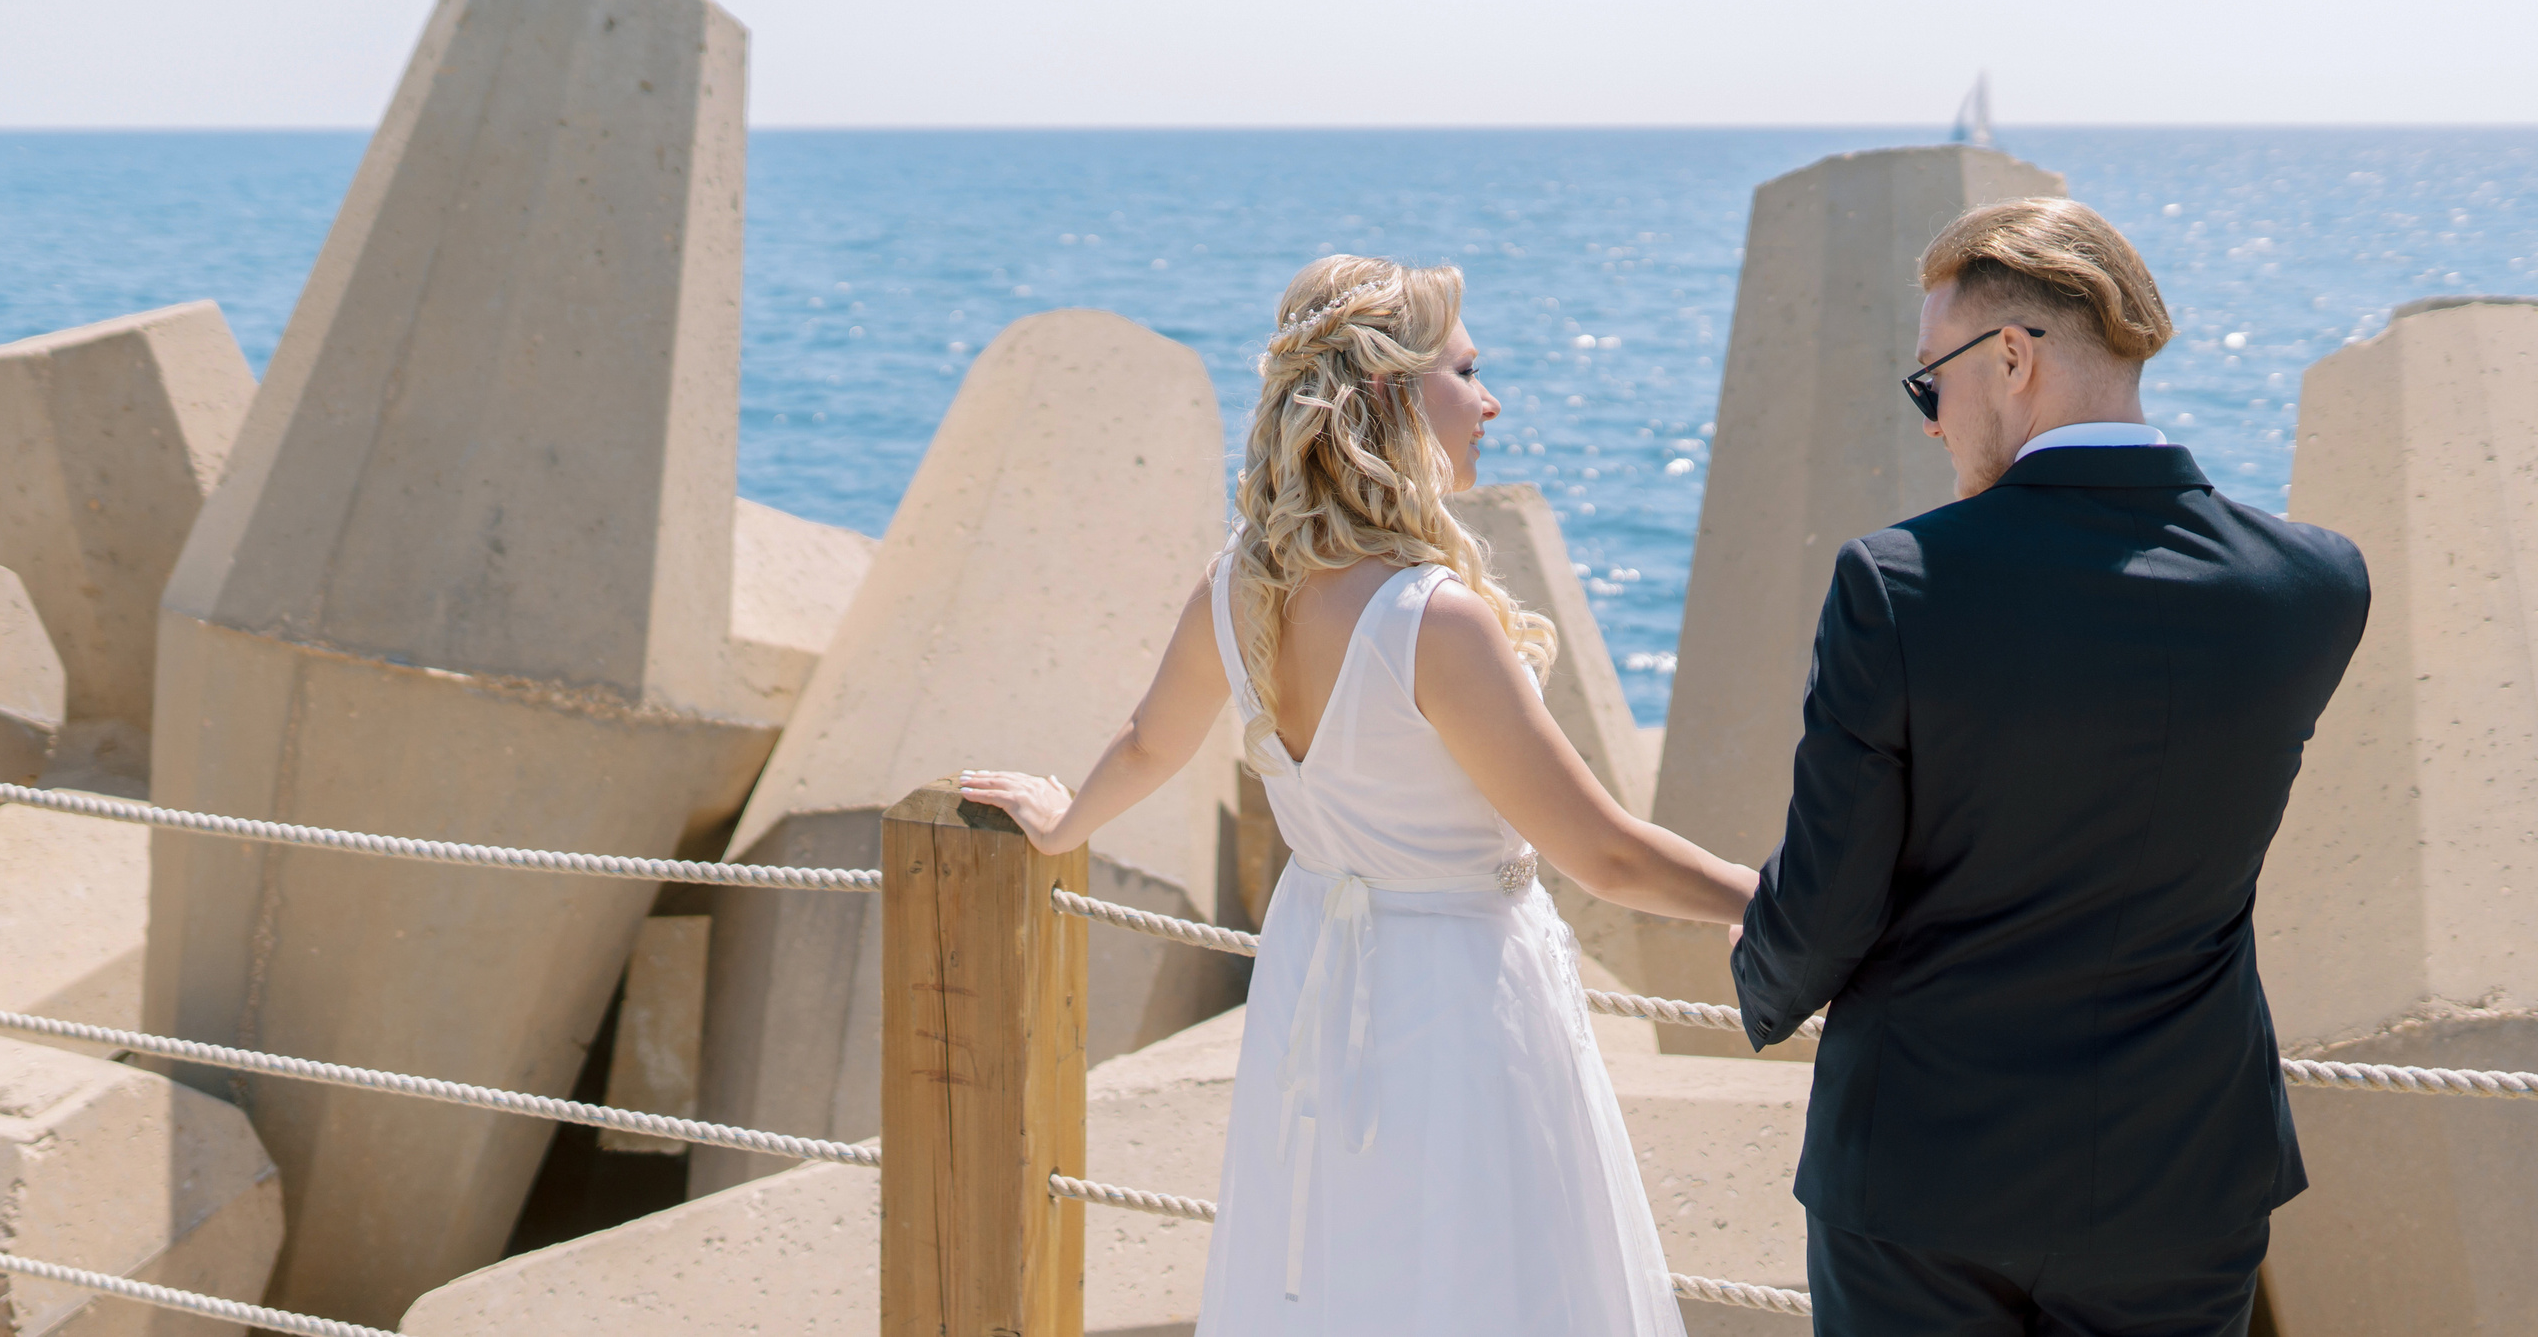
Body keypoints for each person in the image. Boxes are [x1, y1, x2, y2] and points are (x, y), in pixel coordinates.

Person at [961, 255, 1756, 1335]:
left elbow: (1149, 744)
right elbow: (1604, 854)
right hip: (1462, 990)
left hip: (1317, 979)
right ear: (1389, 395)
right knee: (1488, 1281)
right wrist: (1765, 900)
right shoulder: (1433, 621)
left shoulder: (1237, 585)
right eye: (1466, 372)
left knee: (1346, 1274)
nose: (1489, 400)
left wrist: (1064, 824)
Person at [1730, 199, 2371, 1337]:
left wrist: (1758, 982)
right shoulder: (2316, 586)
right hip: (2182, 1176)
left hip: (1920, 1181)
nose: (1929, 420)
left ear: (2012, 358)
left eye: (1930, 382)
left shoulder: (1897, 585)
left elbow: (1824, 908)